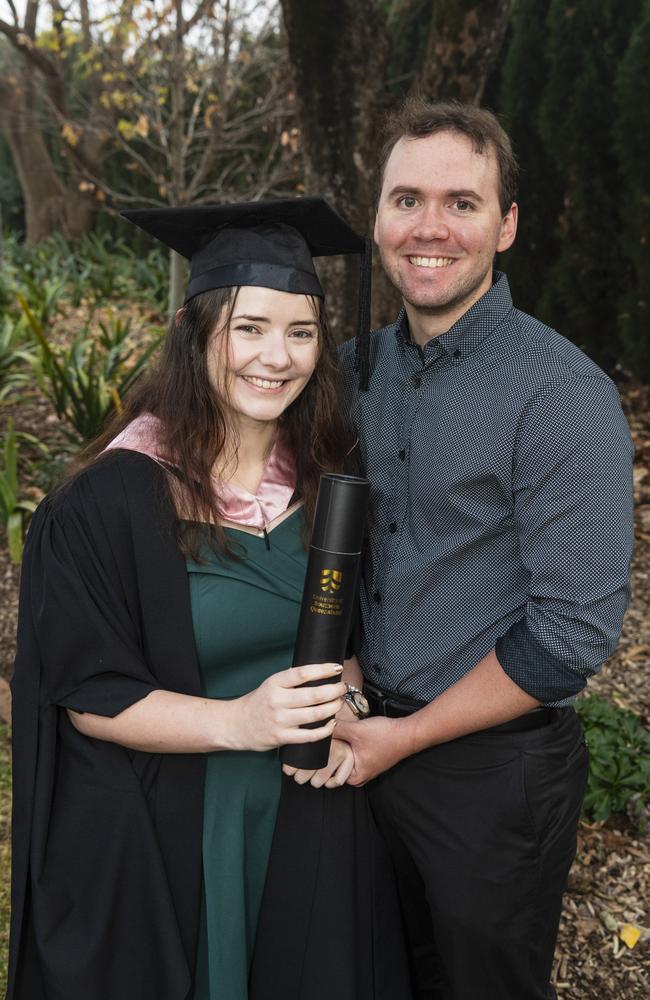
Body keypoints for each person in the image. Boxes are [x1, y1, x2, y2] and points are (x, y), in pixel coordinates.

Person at [7, 198, 411, 1000]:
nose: (278, 356)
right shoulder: (107, 502)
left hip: (313, 814)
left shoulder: (330, 480)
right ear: (197, 334)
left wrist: (354, 707)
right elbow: (89, 694)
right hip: (177, 833)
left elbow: (352, 636)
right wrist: (239, 722)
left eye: (301, 331)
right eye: (250, 327)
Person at [336, 98, 635, 1000]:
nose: (430, 228)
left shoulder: (560, 394)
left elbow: (571, 636)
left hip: (490, 776)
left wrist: (403, 738)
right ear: (378, 217)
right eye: (407, 199)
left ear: (504, 226)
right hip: (359, 735)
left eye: (461, 204)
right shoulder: (353, 370)